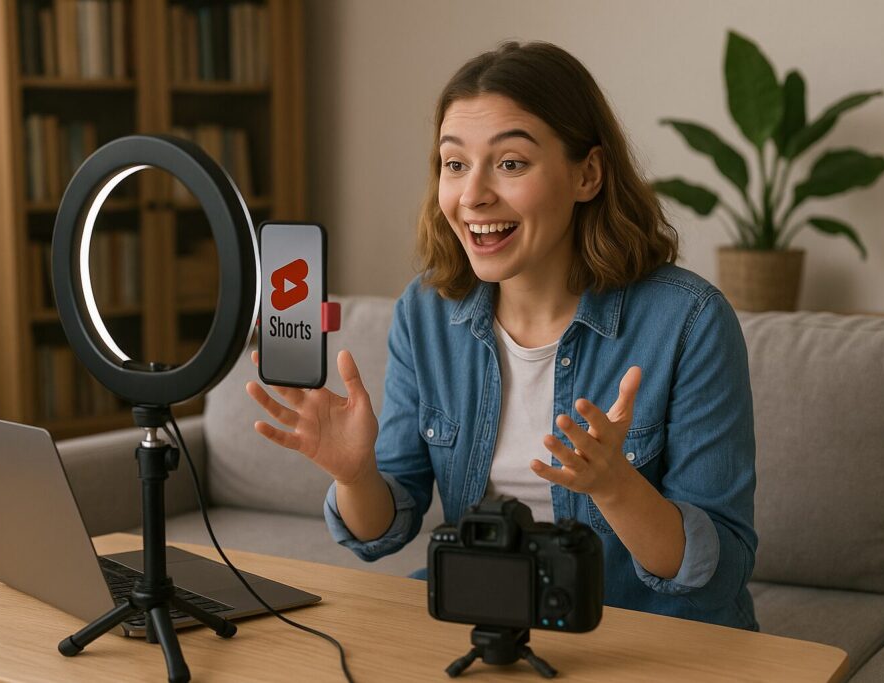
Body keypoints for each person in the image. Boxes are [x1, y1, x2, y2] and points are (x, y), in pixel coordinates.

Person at [245, 41, 757, 631]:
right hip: (488, 619)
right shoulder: (428, 310)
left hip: (642, 634)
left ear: (587, 174)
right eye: (454, 164)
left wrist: (616, 487)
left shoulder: (688, 320)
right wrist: (355, 474)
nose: (472, 196)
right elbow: (382, 532)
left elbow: (717, 572)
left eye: (511, 163)